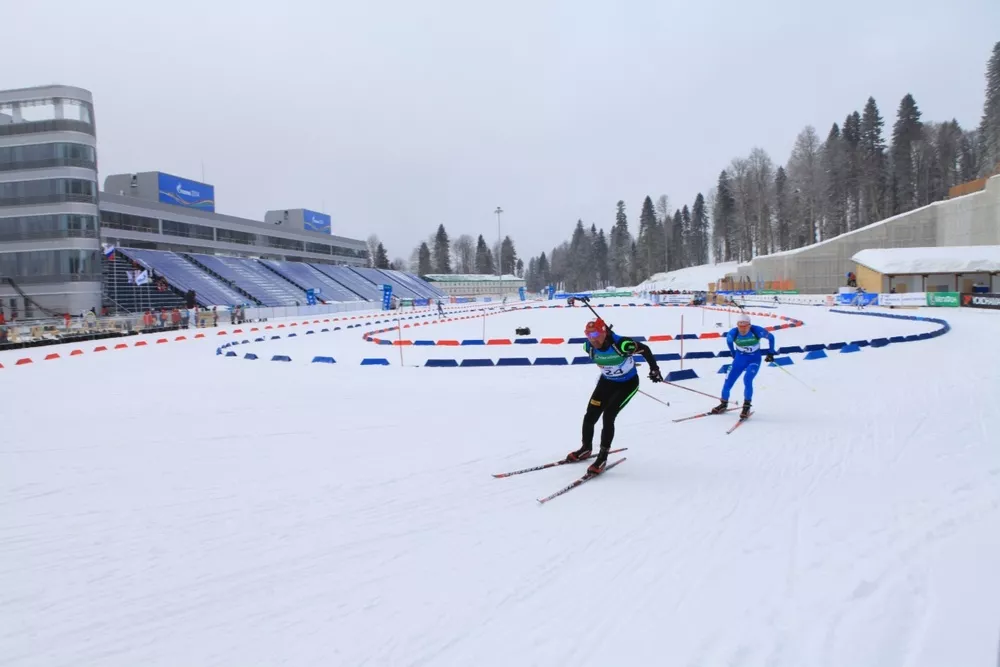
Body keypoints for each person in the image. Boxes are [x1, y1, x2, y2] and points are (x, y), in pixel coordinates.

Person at [566, 318, 663, 474]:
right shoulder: (588, 347)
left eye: (595, 334)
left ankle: (602, 458)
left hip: (627, 384)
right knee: (590, 415)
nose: (592, 339)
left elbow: (645, 349)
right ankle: (586, 448)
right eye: (588, 335)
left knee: (608, 415)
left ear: (604, 332)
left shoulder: (622, 345)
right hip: (607, 382)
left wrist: (654, 369)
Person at [710, 315, 775, 419]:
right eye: (740, 326)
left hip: (754, 360)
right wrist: (733, 354)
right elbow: (729, 344)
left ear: (749, 325)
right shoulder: (732, 333)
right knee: (728, 381)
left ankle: (746, 406)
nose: (742, 329)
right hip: (740, 359)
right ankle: (723, 403)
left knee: (747, 379)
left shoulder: (757, 331)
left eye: (745, 326)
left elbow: (771, 337)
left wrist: (770, 353)